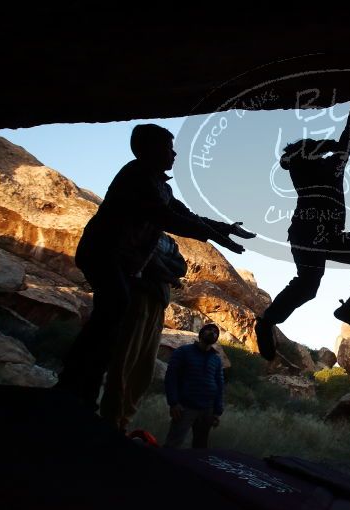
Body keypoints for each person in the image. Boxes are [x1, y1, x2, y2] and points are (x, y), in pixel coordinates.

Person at [55, 124, 254, 410]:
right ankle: (72, 385)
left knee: (110, 318)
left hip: (120, 261)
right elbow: (166, 217)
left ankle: (81, 388)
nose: (174, 153)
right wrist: (215, 235)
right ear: (148, 148)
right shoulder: (136, 176)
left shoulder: (159, 184)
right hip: (104, 253)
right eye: (167, 146)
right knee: (113, 310)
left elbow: (184, 214)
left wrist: (226, 229)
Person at [255, 101, 350, 360]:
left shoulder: (333, 166)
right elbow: (287, 159)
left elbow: (348, 136)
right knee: (307, 287)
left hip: (330, 236)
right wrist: (329, 143)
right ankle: (265, 323)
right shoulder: (299, 167)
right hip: (306, 234)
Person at [99, 233, 186, 432]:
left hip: (159, 302)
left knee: (145, 366)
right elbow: (143, 257)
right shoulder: (144, 228)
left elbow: (181, 267)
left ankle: (124, 419)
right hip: (138, 295)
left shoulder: (170, 242)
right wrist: (167, 274)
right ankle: (111, 418)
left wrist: (158, 264)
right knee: (125, 359)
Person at [163, 323, 224, 449]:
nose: (213, 332)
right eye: (209, 330)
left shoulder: (216, 360)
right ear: (201, 334)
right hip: (185, 408)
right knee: (173, 444)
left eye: (215, 332)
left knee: (200, 447)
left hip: (207, 409)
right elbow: (171, 377)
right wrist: (173, 403)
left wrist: (217, 411)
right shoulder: (183, 352)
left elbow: (219, 385)